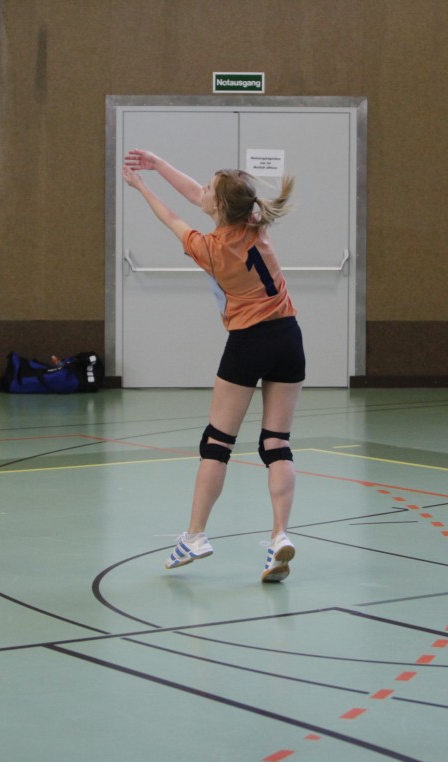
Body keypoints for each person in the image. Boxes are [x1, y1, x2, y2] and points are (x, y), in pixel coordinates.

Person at [122, 149, 303, 583]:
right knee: (276, 444)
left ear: (220, 206)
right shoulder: (255, 223)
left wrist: (142, 186)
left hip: (249, 341)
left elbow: (171, 216)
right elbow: (193, 194)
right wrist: (158, 164)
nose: (199, 190)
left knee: (217, 443)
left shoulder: (211, 249)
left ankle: (195, 536)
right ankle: (280, 535)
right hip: (288, 336)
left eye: (208, 188)